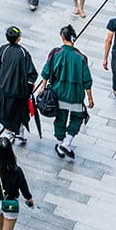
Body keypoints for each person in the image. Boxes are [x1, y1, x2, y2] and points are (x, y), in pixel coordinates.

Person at [40, 26, 94, 159]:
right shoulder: (81, 58)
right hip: (75, 95)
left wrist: (43, 87)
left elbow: (46, 72)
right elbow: (87, 80)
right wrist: (90, 98)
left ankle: (60, 144)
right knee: (77, 118)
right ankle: (67, 142)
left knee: (60, 120)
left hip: (58, 94)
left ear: (62, 37)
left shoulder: (56, 53)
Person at [0, 27, 36, 145]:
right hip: (20, 90)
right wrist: (30, 86)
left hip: (6, 88)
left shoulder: (4, 49)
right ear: (19, 38)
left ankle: (9, 132)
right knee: (20, 110)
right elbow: (31, 73)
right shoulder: (24, 53)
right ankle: (19, 131)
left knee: (6, 111)